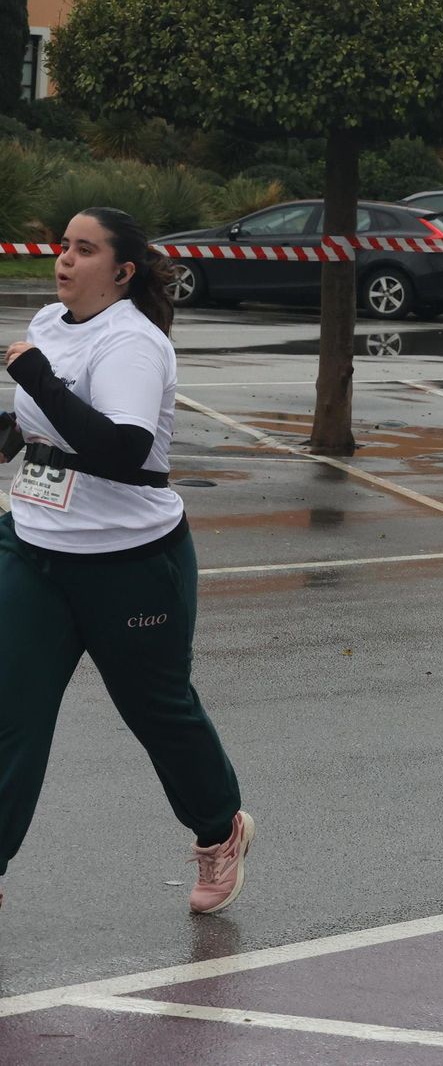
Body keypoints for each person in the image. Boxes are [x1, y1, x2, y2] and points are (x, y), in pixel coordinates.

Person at [0, 208, 252, 913]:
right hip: (34, 546)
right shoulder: (51, 322)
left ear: (122, 271)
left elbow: (120, 449)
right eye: (63, 247)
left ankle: (219, 827)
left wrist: (39, 378)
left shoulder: (134, 344)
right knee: (8, 713)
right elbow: (45, 425)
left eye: (85, 250)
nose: (65, 260)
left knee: (159, 713)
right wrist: (12, 431)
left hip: (130, 562)